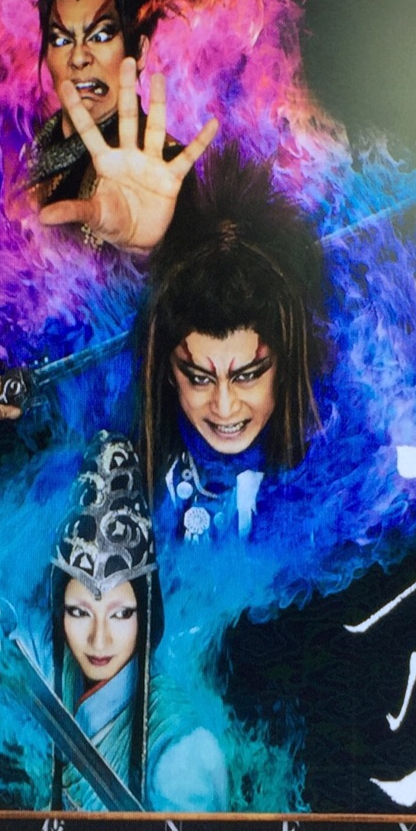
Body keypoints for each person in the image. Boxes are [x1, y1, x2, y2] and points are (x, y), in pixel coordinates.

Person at [0, 0, 218, 430]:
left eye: (100, 34)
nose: (78, 57)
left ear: (138, 48)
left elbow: (188, 327)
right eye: (61, 38)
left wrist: (144, 253)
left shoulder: (162, 173)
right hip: (38, 442)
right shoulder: (23, 162)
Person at [141, 146, 327, 541]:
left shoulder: (339, 473)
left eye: (247, 376)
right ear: (168, 371)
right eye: (199, 378)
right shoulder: (130, 456)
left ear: (284, 365)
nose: (224, 407)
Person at [46, 433, 228, 811]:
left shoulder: (180, 758)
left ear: (145, 613)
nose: (98, 640)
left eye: (120, 613)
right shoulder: (59, 671)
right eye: (79, 612)